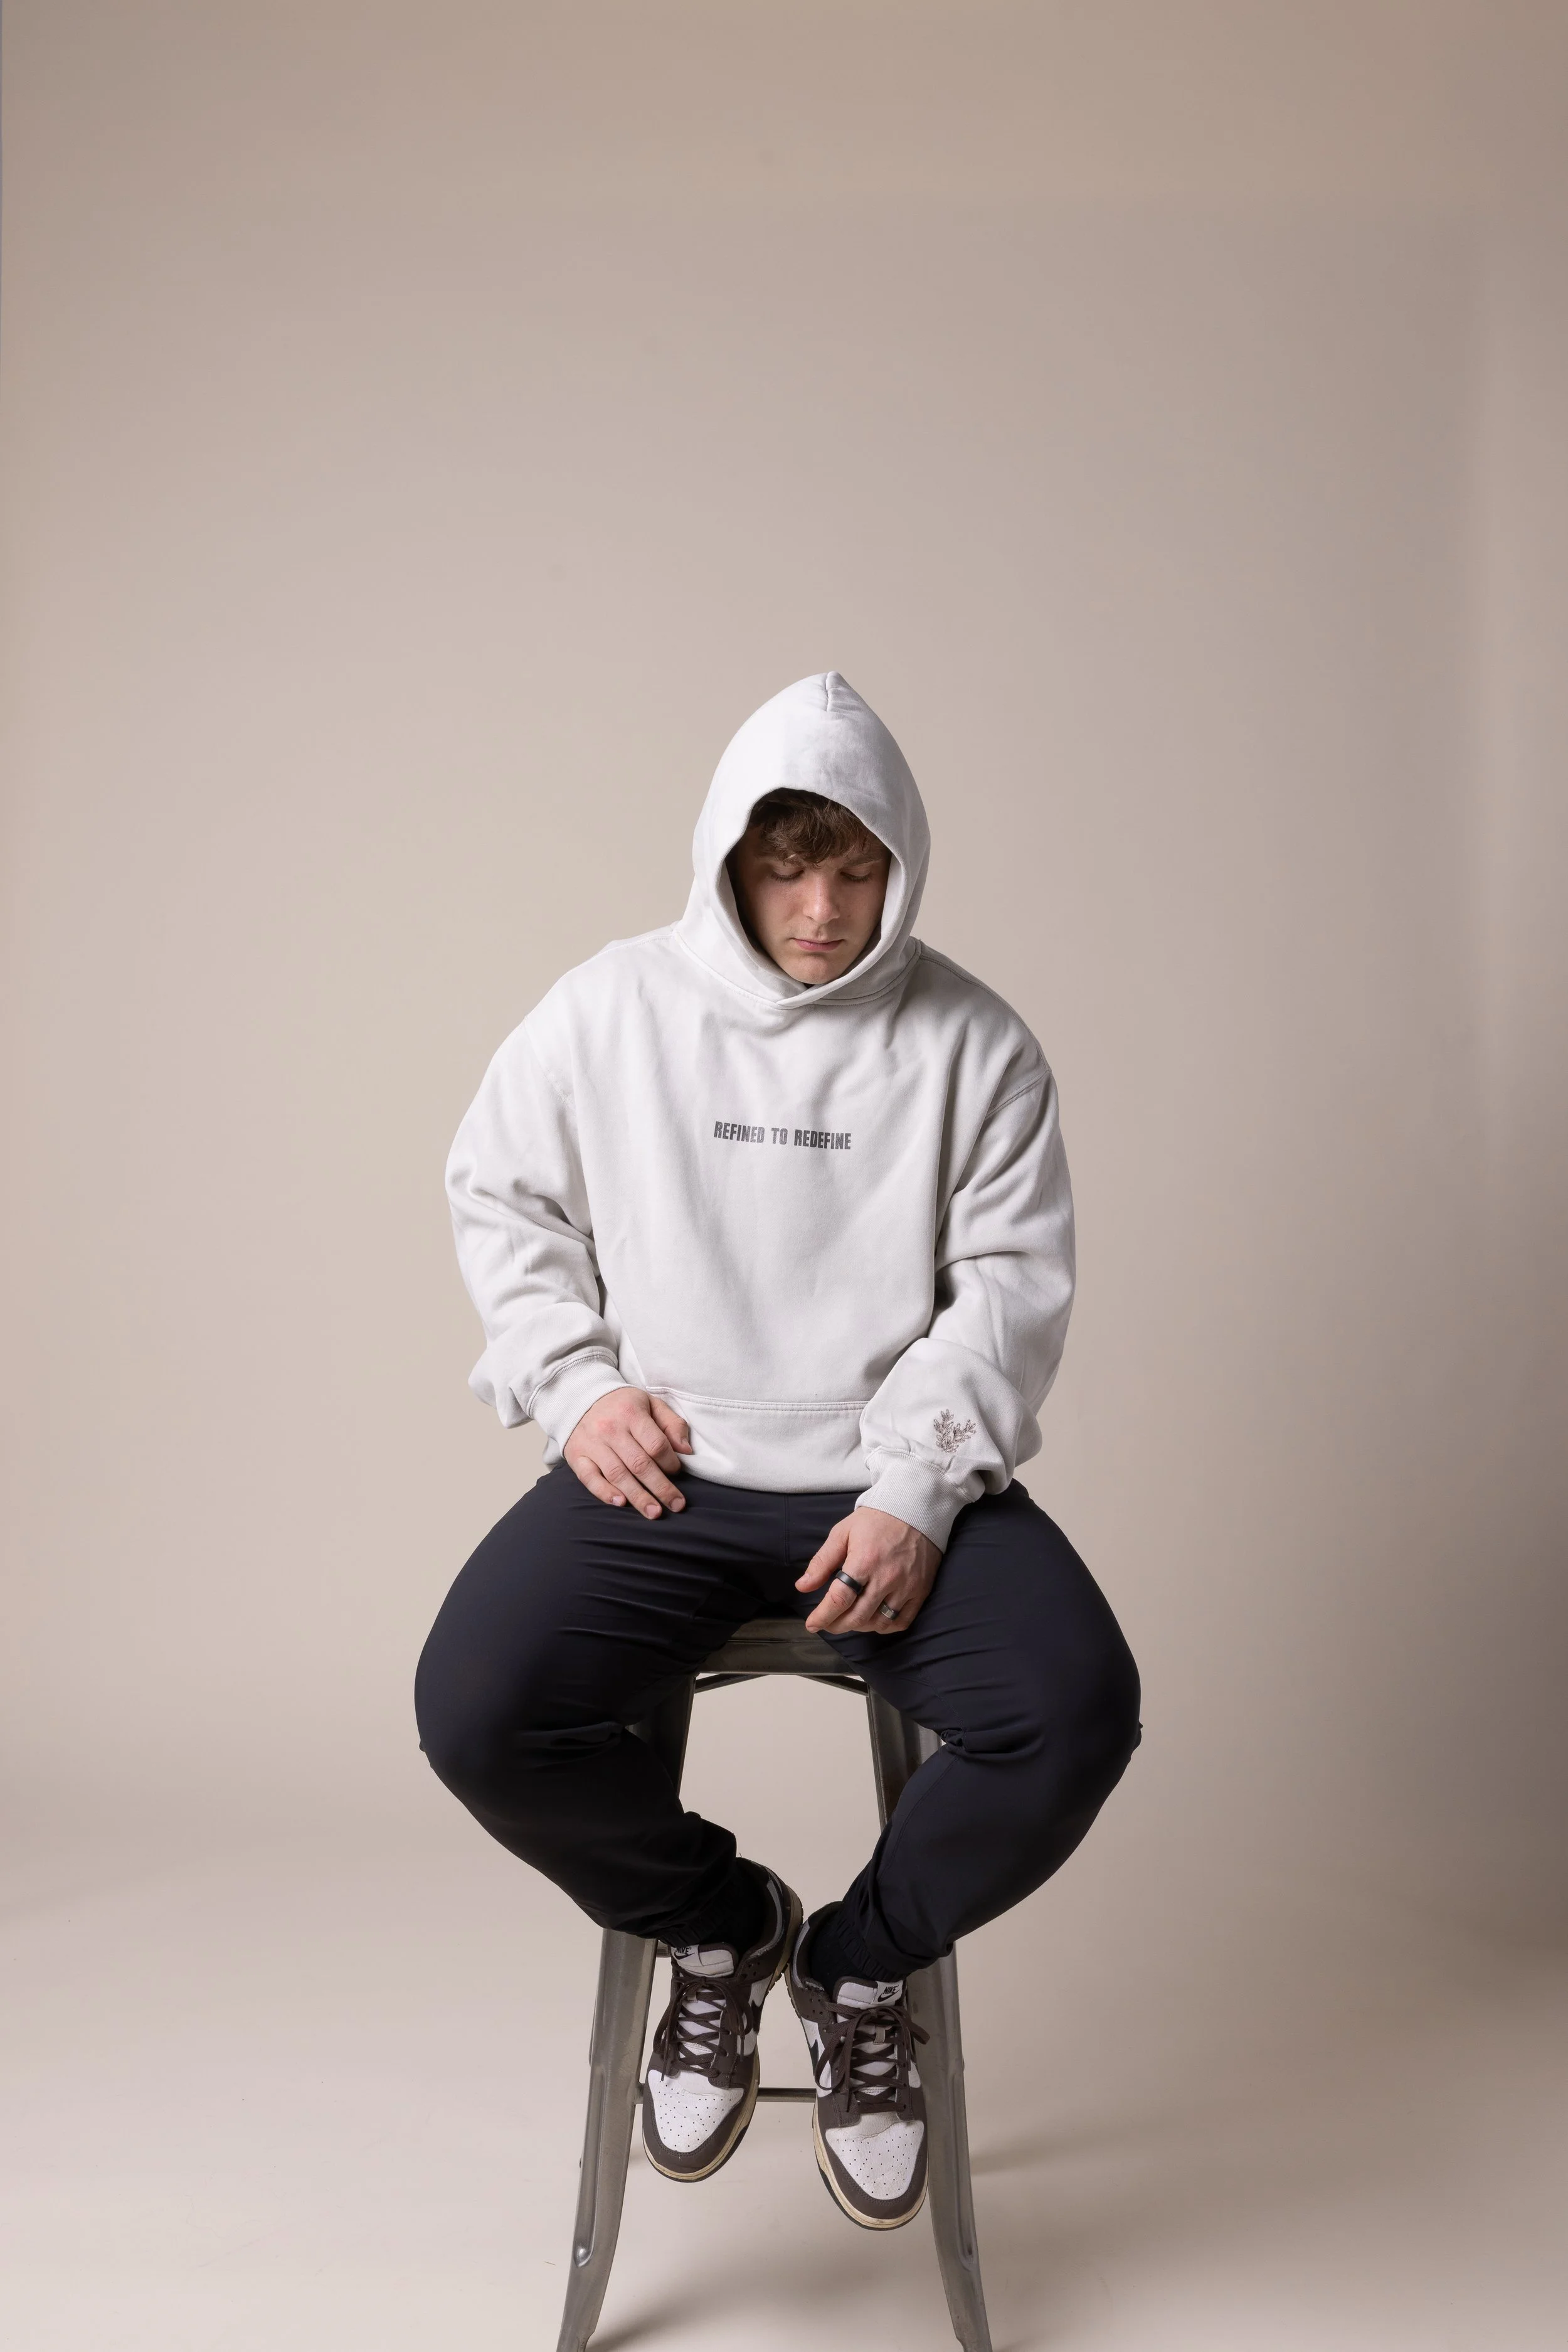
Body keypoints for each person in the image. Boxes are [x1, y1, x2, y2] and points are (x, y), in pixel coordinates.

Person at [416, 673, 1140, 2230]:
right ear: (727, 862)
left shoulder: (975, 1042)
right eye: (782, 865)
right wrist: (573, 1381)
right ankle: (722, 1925)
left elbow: (1009, 1284)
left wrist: (916, 1487)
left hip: (888, 1483)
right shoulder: (611, 1007)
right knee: (477, 1708)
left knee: (1075, 1708)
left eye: (854, 867)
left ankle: (859, 1964)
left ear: (900, 864)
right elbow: (501, 1192)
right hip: (665, 1472)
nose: (818, 908)